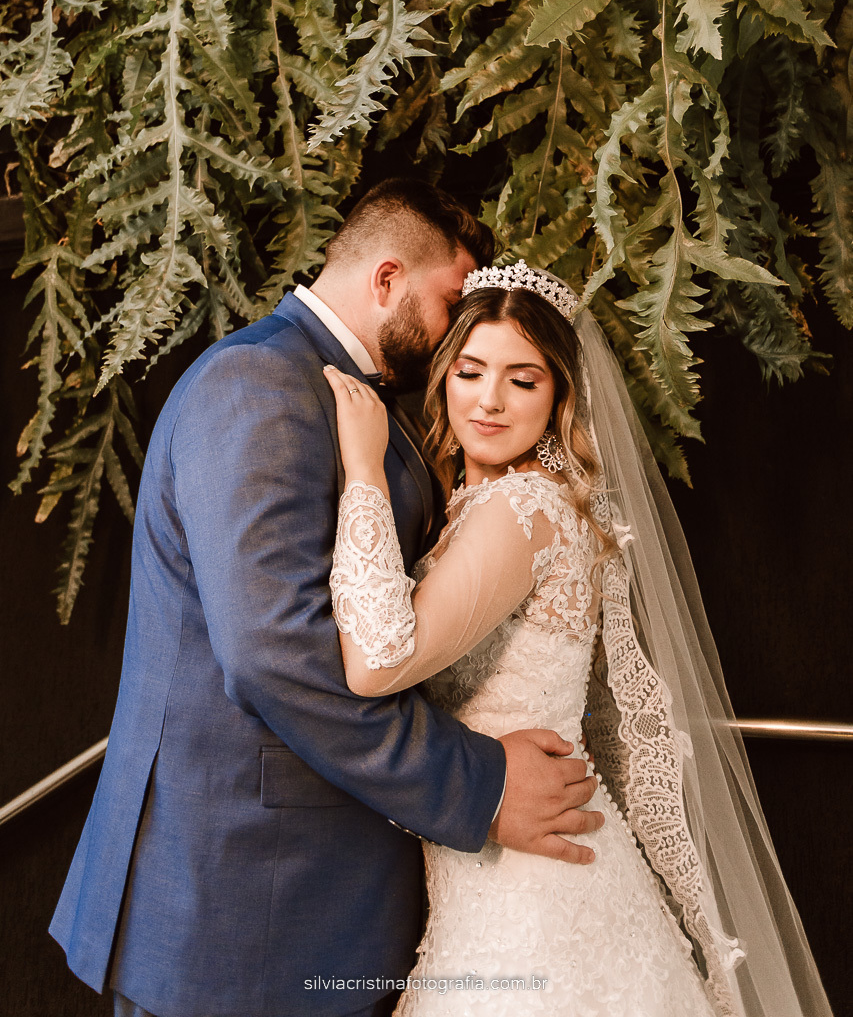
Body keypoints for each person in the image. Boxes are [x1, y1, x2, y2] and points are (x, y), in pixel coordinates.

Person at [49, 184, 604, 1017]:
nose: (460, 332)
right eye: (451, 301)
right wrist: (476, 785)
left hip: (320, 901)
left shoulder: (360, 401)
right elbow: (277, 655)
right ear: (387, 280)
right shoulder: (260, 386)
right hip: (247, 907)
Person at [322, 260, 834, 1017]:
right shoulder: (484, 504)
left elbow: (376, 663)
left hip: (532, 899)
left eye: (522, 380)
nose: (489, 400)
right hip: (503, 873)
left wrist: (361, 466)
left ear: (559, 394)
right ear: (443, 378)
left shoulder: (524, 509)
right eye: (469, 371)